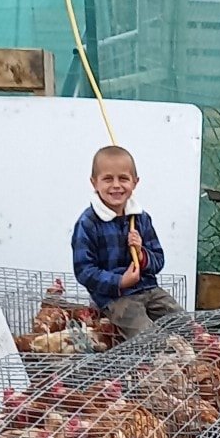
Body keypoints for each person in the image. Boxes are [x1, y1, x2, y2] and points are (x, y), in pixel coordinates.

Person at [71, 144, 180, 338]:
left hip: (148, 289)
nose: (116, 185)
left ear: (135, 183)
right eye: (107, 179)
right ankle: (154, 363)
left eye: (123, 178)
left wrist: (141, 255)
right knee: (148, 335)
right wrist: (119, 281)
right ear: (94, 183)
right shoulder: (88, 223)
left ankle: (196, 359)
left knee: (182, 323)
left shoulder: (140, 218)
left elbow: (158, 260)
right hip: (115, 297)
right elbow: (84, 271)